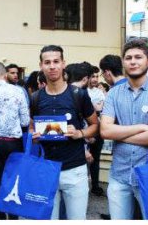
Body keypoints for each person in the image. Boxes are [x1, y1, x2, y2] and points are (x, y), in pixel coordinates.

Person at [100, 39, 148, 219]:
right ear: (123, 62)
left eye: (138, 57)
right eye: (128, 58)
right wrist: (141, 127)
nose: (133, 61)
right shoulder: (114, 93)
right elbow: (105, 132)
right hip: (119, 174)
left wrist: (120, 134)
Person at [30, 45, 97, 220]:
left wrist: (80, 133)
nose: (52, 66)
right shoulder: (36, 98)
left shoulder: (78, 94)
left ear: (63, 64)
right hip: (47, 170)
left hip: (75, 170)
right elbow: (31, 128)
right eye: (47, 62)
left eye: (56, 61)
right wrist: (33, 137)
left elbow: (95, 126)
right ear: (41, 65)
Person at [0, 61, 30, 219]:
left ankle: (0, 218)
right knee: (14, 181)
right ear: (5, 75)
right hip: (13, 143)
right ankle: (14, 218)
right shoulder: (18, 91)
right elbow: (25, 121)